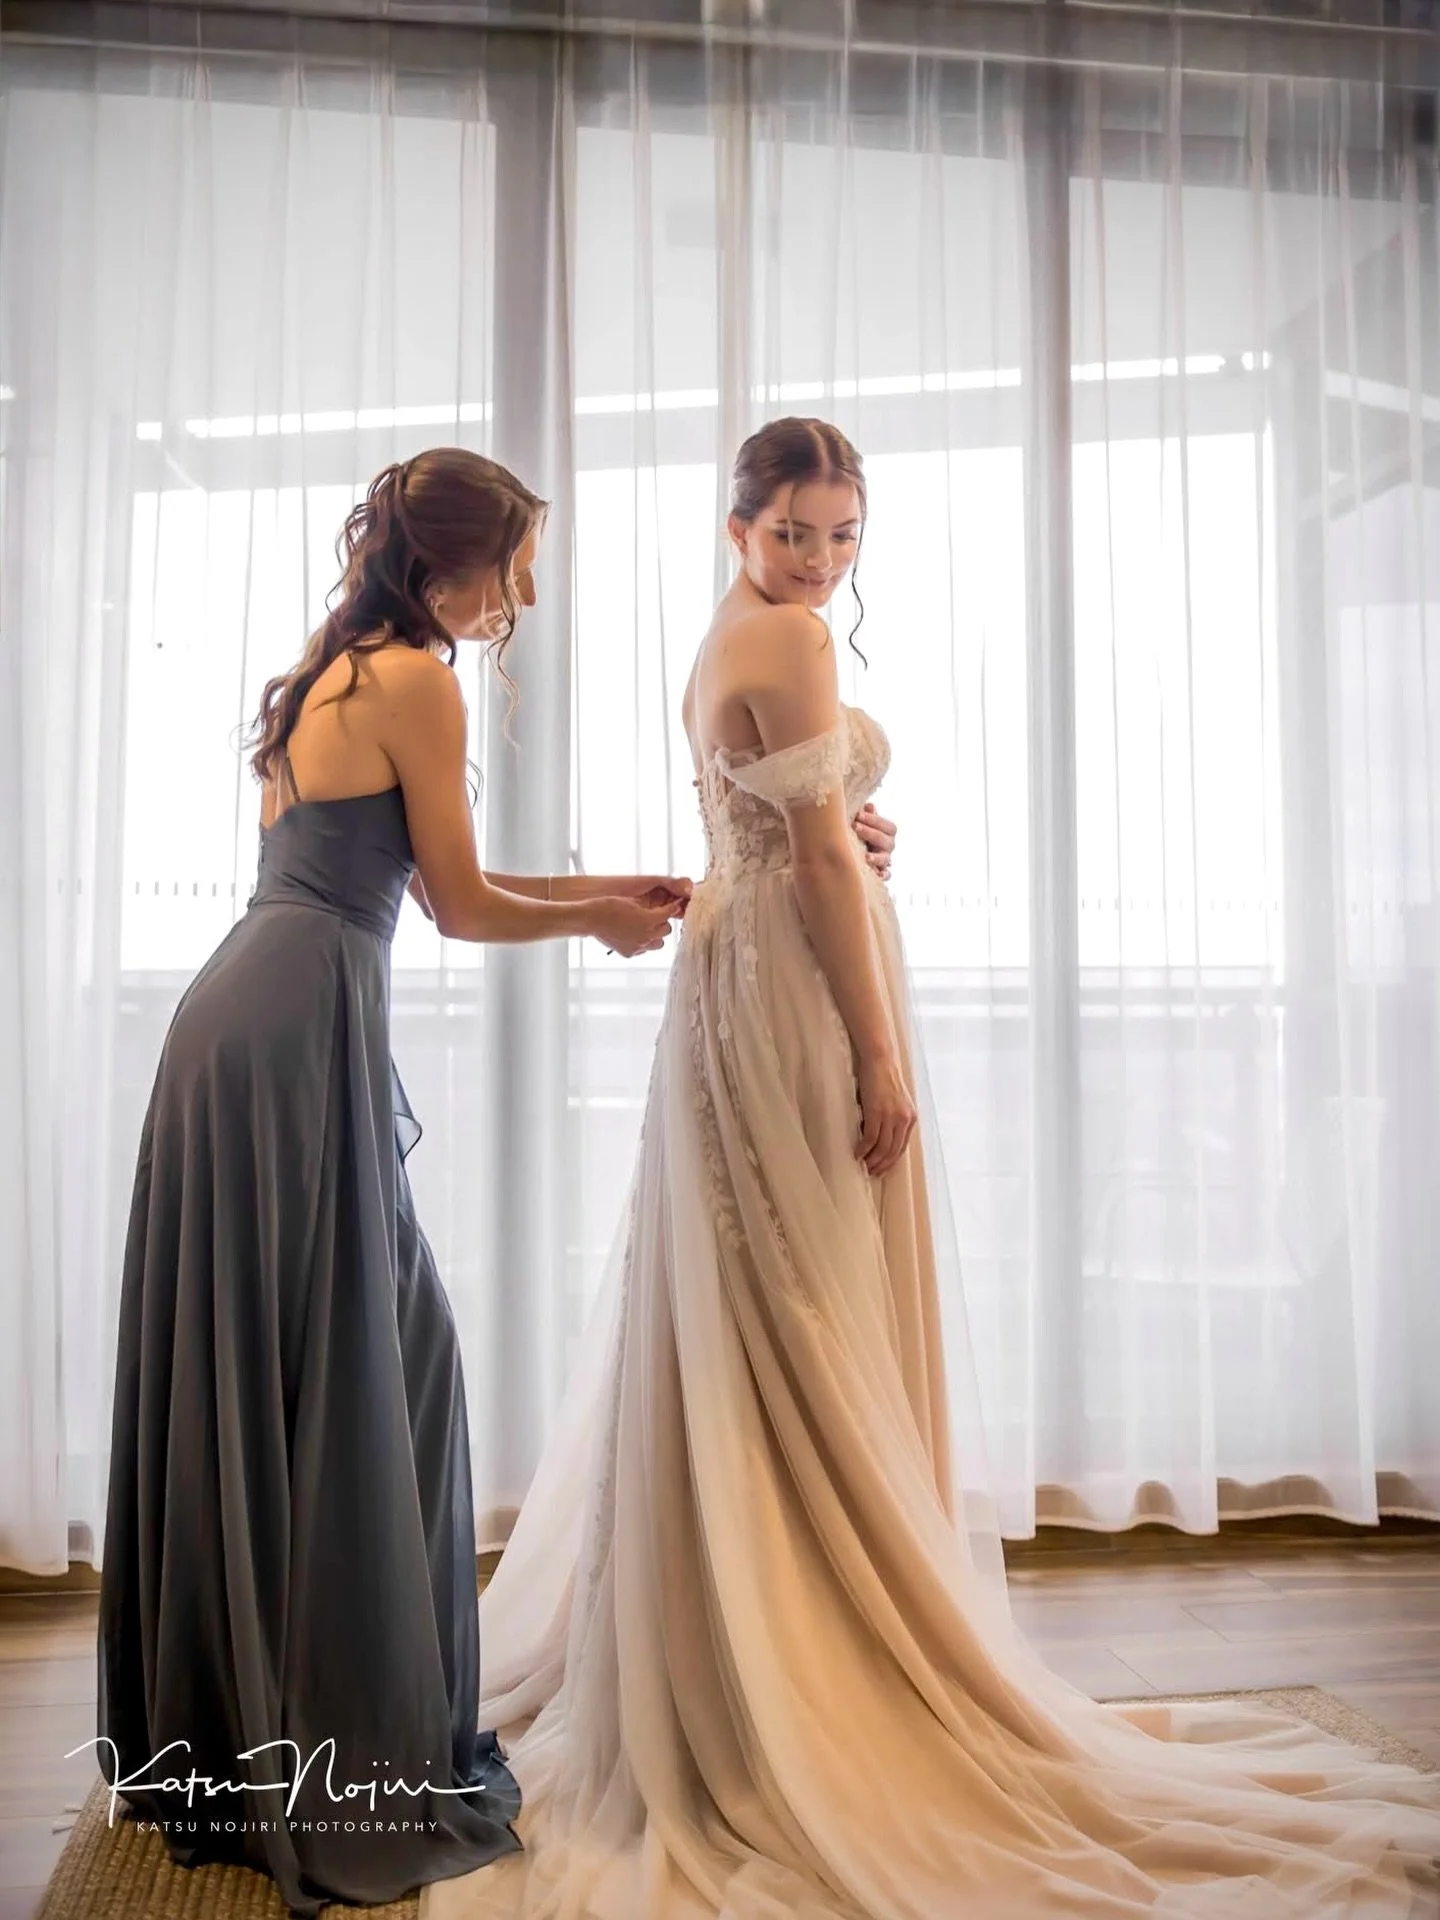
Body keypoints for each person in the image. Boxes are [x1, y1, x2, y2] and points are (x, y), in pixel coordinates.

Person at [423, 420, 1440, 1920]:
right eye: (794, 534)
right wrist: (885, 1053)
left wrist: (836, 824)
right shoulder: (783, 639)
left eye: (843, 536)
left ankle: (766, 1621)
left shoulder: (737, 632)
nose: (821, 562)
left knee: (772, 1303)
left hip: (738, 970)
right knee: (803, 1302)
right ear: (738, 528)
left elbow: (799, 820)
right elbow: (820, 861)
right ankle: (812, 1651)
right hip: (794, 988)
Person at [95, 449, 696, 1917]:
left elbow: (427, 886)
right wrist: (598, 926)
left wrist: (616, 889)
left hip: (245, 1022)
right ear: (453, 566)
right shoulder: (416, 677)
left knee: (308, 1365)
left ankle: (255, 1731)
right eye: (520, 566)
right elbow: (469, 905)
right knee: (376, 1362)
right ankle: (342, 1742)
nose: (528, 596)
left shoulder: (340, 668)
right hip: (293, 1034)